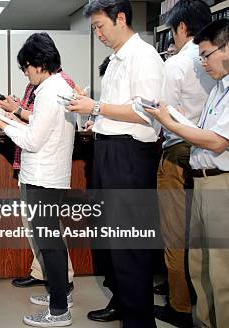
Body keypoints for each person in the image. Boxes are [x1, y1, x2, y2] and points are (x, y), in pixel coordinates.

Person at [67, 1, 165, 326]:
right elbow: (114, 110)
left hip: (130, 157)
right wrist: (96, 116)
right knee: (112, 241)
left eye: (99, 26)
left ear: (120, 18)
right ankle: (123, 308)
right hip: (109, 151)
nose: (97, 33)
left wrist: (96, 106)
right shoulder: (114, 61)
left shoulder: (143, 56)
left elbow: (144, 111)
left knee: (130, 246)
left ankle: (138, 321)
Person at [0, 32, 76, 327]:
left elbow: (32, 140)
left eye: (26, 67)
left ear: (38, 63)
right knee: (52, 242)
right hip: (51, 175)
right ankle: (59, 296)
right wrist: (10, 119)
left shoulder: (50, 91)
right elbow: (38, 129)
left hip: (43, 177)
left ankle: (59, 310)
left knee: (49, 243)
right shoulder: (59, 87)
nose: (26, 73)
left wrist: (2, 123)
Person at [146, 18, 229, 328]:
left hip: (220, 183)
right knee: (200, 265)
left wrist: (167, 121)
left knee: (220, 272)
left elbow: (216, 141)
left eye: (206, 55)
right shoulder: (219, 89)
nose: (203, 63)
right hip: (203, 180)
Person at [155, 1, 214, 327]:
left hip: (178, 151)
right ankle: (201, 299)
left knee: (175, 234)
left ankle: (179, 307)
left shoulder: (176, 64)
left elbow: (162, 114)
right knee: (203, 236)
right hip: (211, 152)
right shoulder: (217, 62)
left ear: (180, 28)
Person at [0, 68, 77, 292]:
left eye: (26, 68)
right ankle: (46, 275)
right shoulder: (39, 86)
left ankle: (61, 285)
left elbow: (37, 133)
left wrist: (7, 122)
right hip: (32, 165)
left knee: (49, 232)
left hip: (45, 170)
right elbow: (36, 120)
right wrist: (16, 112)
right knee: (35, 227)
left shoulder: (57, 87)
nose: (25, 73)